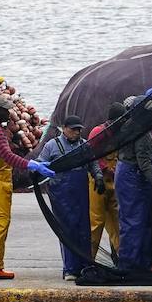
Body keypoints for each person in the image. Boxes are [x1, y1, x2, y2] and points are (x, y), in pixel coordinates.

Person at [0, 93, 54, 281]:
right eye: (7, 110)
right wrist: (32, 165)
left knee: (0, 220)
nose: (10, 114)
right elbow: (8, 157)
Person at [40, 115, 104, 280]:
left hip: (81, 191)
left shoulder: (84, 145)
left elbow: (93, 163)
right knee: (67, 229)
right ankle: (70, 269)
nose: (77, 132)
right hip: (60, 193)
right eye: (73, 129)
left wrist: (98, 176)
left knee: (84, 228)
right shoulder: (51, 146)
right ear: (64, 128)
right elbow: (40, 164)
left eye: (79, 129)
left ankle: (87, 265)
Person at [113, 95, 152, 271]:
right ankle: (129, 266)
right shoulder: (142, 131)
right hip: (132, 177)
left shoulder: (129, 125)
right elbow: (144, 163)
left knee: (142, 221)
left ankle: (142, 263)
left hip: (125, 172)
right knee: (133, 222)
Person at [88, 101, 126, 262]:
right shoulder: (98, 132)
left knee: (117, 221)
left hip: (115, 181)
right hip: (98, 182)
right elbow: (90, 154)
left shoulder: (121, 132)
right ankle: (88, 260)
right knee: (96, 222)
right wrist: (103, 169)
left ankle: (120, 258)